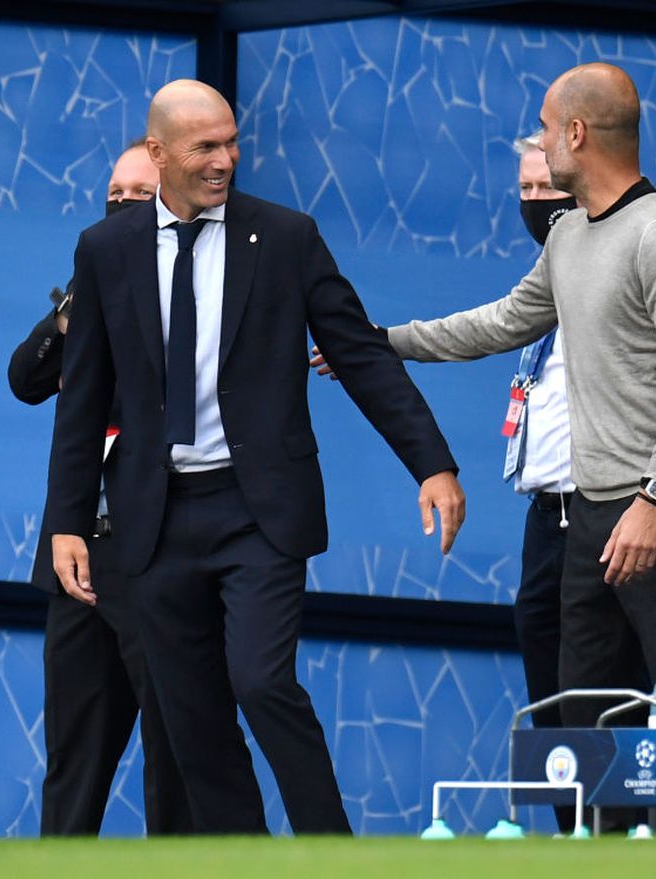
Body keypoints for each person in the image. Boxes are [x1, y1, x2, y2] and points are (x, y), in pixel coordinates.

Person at [43, 80, 466, 835]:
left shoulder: (286, 237)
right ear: (158, 153)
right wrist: (67, 521)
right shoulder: (105, 250)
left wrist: (432, 464)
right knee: (189, 714)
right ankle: (245, 854)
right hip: (155, 516)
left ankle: (329, 849)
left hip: (256, 510)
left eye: (232, 142)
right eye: (206, 146)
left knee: (262, 679)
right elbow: (83, 399)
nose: (226, 160)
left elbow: (361, 355)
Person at [383, 63, 656, 736]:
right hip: (590, 516)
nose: (539, 144)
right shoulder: (569, 233)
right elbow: (504, 320)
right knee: (584, 715)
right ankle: (597, 843)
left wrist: (652, 500)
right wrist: (383, 342)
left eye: (544, 129)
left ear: (576, 132)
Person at [7, 140, 192, 836]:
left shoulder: (196, 290)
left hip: (159, 552)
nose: (120, 205)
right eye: (113, 192)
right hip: (78, 554)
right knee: (75, 757)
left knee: (172, 751)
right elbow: (26, 378)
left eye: (138, 195)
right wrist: (69, 317)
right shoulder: (88, 282)